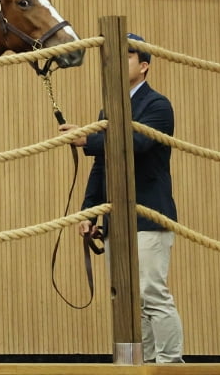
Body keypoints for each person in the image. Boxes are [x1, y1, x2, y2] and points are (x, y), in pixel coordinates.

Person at [58, 32, 183, 364]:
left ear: (144, 66)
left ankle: (171, 366)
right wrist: (89, 213)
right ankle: (142, 365)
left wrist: (88, 139)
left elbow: (134, 145)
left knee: (151, 295)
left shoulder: (158, 105)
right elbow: (103, 167)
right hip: (119, 219)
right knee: (129, 300)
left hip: (148, 216)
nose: (116, 62)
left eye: (126, 56)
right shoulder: (109, 107)